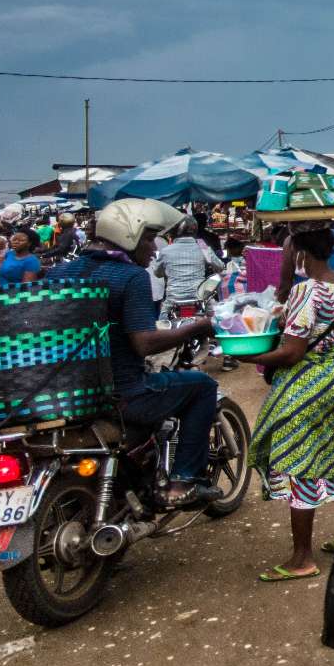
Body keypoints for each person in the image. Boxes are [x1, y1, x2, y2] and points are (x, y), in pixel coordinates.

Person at [56, 200, 222, 507]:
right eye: (148, 239)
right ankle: (183, 481)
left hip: (67, 395)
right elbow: (143, 344)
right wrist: (198, 327)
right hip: (123, 395)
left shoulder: (61, 273)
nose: (153, 248)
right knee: (202, 386)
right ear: (128, 236)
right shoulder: (129, 277)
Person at [245, 227, 334, 582]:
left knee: (300, 463)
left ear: (301, 255)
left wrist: (247, 357)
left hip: (309, 384)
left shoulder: (305, 290)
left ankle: (302, 557)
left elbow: (292, 351)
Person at [151, 217, 225, 316]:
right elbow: (220, 267)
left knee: (162, 323)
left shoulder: (166, 251)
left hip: (173, 301)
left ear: (175, 231)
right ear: (195, 231)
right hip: (200, 299)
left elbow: (157, 273)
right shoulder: (203, 248)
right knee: (216, 322)